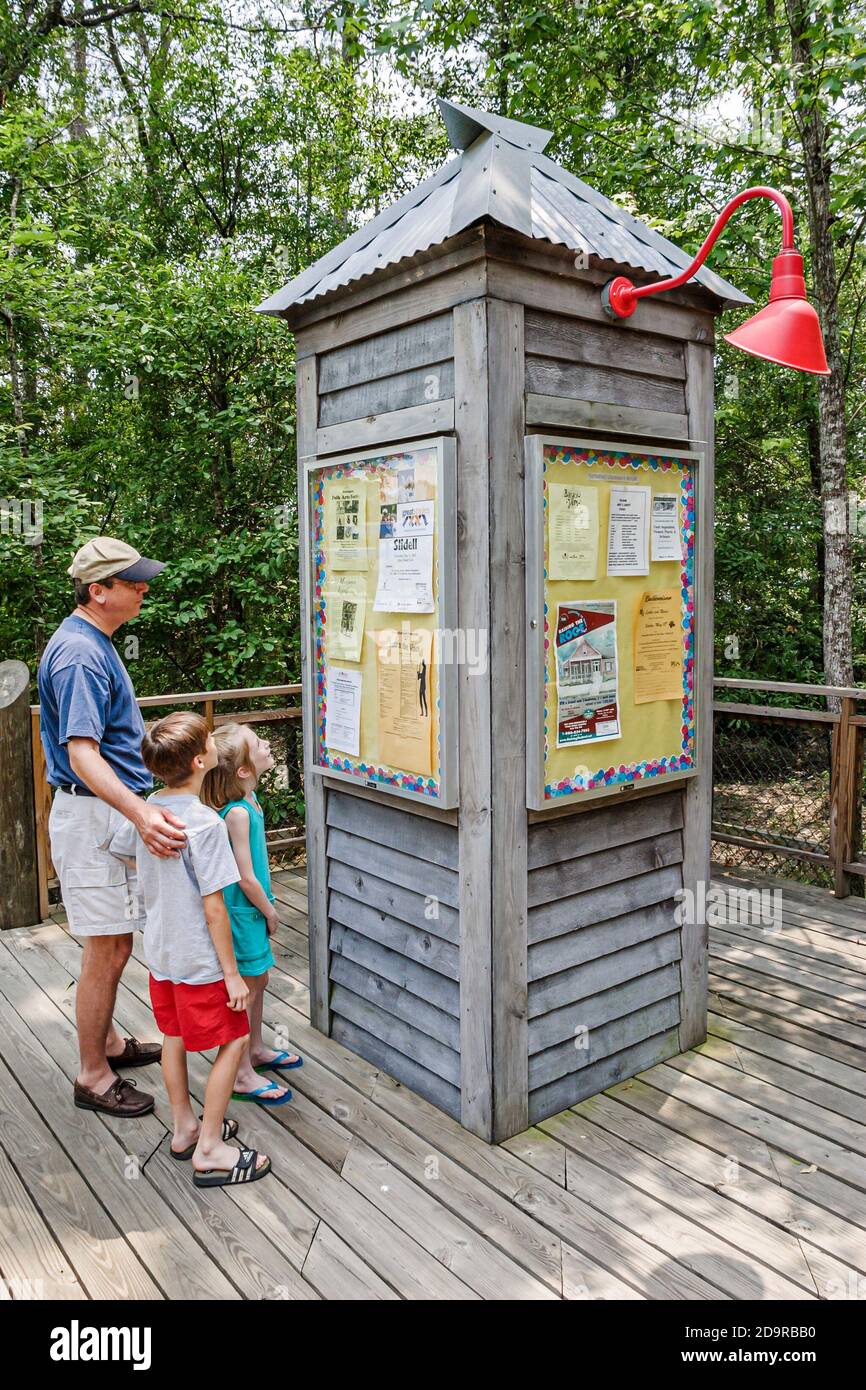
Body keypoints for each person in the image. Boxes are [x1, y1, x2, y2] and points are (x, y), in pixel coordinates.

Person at [38, 536, 187, 1118]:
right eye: (133, 582)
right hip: (95, 815)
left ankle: (107, 1043)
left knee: (116, 943)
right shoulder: (79, 655)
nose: (144, 588)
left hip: (101, 816)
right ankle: (93, 1075)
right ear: (98, 591)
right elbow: (82, 754)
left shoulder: (88, 640)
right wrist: (142, 811)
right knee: (108, 948)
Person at [109, 711, 272, 1186]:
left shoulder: (147, 810)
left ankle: (184, 1127)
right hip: (201, 960)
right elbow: (215, 910)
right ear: (202, 760)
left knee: (175, 1036)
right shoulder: (204, 824)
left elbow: (122, 850)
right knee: (235, 1037)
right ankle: (210, 1147)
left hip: (161, 952)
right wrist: (232, 974)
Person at [201, 723, 302, 1106]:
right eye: (258, 743)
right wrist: (270, 911)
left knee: (258, 982)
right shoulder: (238, 814)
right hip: (245, 911)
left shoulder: (251, 801)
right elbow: (245, 877)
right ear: (243, 769)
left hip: (251, 910)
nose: (266, 744)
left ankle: (255, 1050)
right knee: (247, 986)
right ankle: (240, 1073)